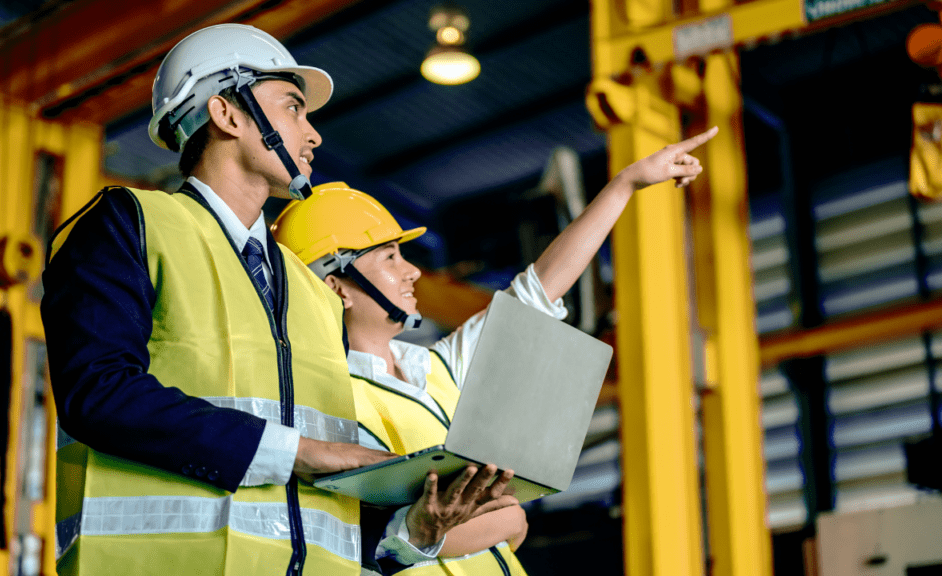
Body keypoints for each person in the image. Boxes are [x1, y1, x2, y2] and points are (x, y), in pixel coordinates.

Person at [41, 23, 514, 576]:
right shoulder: (129, 224)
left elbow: (326, 504)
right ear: (227, 114)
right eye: (293, 107)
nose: (312, 136)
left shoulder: (311, 291)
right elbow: (97, 392)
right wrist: (304, 452)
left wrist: (417, 529)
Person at [269, 126, 719, 575]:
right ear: (335, 286)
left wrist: (626, 185)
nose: (411, 273)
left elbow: (538, 291)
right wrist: (492, 521)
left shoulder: (439, 366)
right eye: (389, 258)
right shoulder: (318, 397)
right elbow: (364, 539)